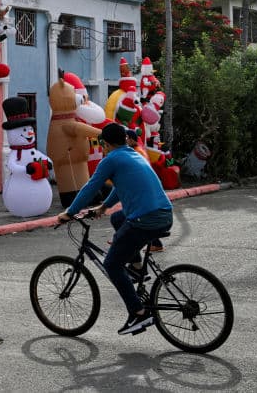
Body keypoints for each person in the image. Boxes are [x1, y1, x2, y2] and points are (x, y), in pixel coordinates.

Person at [57, 122, 173, 336]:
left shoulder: (111, 159)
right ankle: (137, 267)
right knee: (118, 218)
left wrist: (70, 212)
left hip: (145, 219)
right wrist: (104, 207)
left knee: (111, 264)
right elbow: (121, 187)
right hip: (164, 214)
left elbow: (91, 187)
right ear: (125, 139)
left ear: (105, 144)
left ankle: (138, 313)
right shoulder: (133, 154)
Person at [125, 127, 164, 254]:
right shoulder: (137, 150)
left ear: (131, 139)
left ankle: (155, 243)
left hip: (143, 190)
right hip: (145, 189)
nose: (124, 141)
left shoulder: (135, 152)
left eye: (126, 138)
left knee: (139, 217)